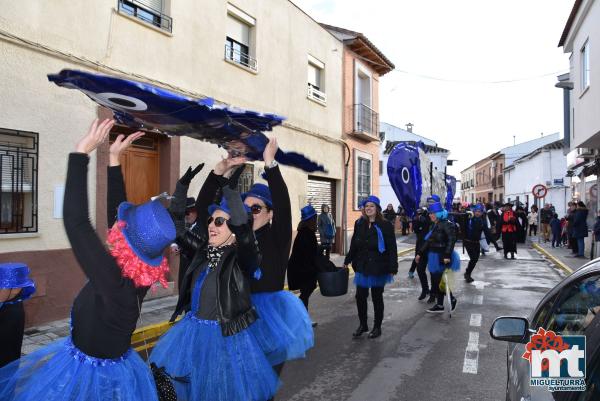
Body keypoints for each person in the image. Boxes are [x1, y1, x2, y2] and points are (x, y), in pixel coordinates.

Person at [0, 119, 175, 401]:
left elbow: (77, 222)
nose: (115, 231)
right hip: (103, 364)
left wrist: (81, 154)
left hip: (95, 380)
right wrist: (115, 160)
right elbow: (116, 221)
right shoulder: (133, 276)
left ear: (127, 244)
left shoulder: (114, 282)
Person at [150, 167, 279, 401]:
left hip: (225, 339)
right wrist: (181, 188)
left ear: (234, 232)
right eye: (211, 220)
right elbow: (177, 229)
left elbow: (244, 231)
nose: (211, 225)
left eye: (219, 221)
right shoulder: (202, 251)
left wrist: (230, 192)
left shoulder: (243, 259)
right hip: (193, 332)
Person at [192, 138, 313, 379]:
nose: (250, 214)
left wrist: (270, 163)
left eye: (256, 209)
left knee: (263, 384)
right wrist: (219, 172)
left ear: (270, 214)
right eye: (246, 210)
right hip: (236, 318)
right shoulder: (233, 239)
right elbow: (205, 214)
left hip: (268, 320)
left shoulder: (277, 238)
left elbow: (282, 201)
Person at [344, 195, 398, 339]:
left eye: (371, 206)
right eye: (366, 206)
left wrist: (393, 267)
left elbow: (392, 247)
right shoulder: (359, 223)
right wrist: (348, 259)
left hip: (379, 266)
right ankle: (363, 325)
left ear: (377, 209)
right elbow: (354, 244)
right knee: (360, 296)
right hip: (362, 265)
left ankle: (377, 327)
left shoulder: (385, 225)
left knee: (376, 297)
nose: (368, 209)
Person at [415, 201, 460, 313]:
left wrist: (447, 255)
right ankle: (440, 305)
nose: (430, 215)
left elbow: (451, 240)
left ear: (439, 213)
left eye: (432, 213)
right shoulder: (434, 224)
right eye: (430, 213)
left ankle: (452, 299)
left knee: (440, 281)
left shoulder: (447, 224)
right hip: (434, 255)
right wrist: (420, 253)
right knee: (436, 281)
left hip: (443, 255)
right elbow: (428, 240)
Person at [0, 263, 35, 368]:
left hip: (6, 314)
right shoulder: (20, 284)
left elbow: (2, 298)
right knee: (12, 346)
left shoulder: (9, 289)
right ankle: (10, 375)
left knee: (5, 348)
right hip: (15, 313)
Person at [288, 205, 319, 310]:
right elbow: (310, 254)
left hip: (300, 268)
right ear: (312, 219)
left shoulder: (303, 231)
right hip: (303, 270)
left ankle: (303, 318)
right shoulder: (308, 233)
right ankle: (301, 318)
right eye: (315, 218)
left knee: (306, 293)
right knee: (306, 293)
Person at [462, 205, 492, 283]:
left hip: (476, 242)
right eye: (477, 211)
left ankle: (467, 273)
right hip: (468, 242)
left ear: (482, 213)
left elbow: (487, 232)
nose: (478, 213)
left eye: (480, 212)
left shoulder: (482, 221)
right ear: (474, 211)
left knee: (475, 259)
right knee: (473, 258)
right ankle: (467, 274)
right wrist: (465, 214)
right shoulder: (469, 218)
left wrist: (488, 241)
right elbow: (462, 219)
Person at [409, 207, 432, 300]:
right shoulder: (417, 218)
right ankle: (425, 289)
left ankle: (434, 293)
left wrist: (426, 220)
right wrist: (418, 220)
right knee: (420, 269)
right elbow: (415, 230)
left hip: (432, 248)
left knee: (434, 272)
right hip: (421, 246)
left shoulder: (432, 218)